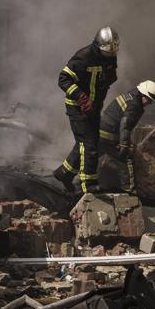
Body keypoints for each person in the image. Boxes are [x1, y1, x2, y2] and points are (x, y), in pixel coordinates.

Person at [52, 26, 119, 194]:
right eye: (107, 53)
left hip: (94, 108)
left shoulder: (110, 56)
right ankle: (88, 186)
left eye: (112, 53)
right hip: (77, 108)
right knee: (89, 146)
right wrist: (83, 98)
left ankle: (64, 173)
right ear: (98, 46)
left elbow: (108, 79)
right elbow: (63, 79)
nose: (110, 56)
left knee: (88, 142)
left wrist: (96, 102)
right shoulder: (83, 57)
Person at [98, 80, 155, 192]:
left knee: (93, 157)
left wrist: (128, 140)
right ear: (143, 94)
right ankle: (129, 192)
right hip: (110, 135)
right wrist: (124, 145)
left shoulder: (130, 96)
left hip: (102, 131)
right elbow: (125, 125)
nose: (149, 103)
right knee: (126, 161)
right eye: (149, 100)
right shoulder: (135, 105)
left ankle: (77, 184)